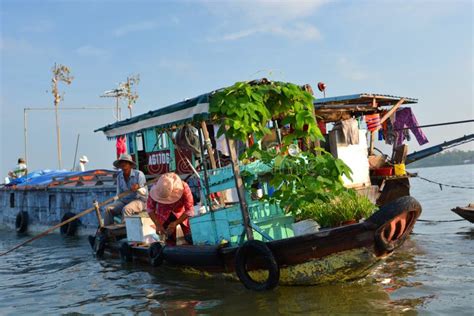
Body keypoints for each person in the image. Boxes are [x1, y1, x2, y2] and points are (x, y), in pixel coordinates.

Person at [147, 172, 194, 244]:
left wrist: (175, 223)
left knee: (190, 237)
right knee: (168, 240)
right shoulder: (158, 188)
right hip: (163, 216)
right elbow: (150, 209)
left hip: (181, 215)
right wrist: (157, 224)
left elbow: (189, 210)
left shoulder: (184, 187)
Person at [104, 153, 148, 225]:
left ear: (130, 165)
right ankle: (107, 231)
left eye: (126, 163)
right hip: (124, 201)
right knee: (108, 209)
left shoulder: (139, 174)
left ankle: (124, 230)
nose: (124, 165)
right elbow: (119, 194)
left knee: (126, 209)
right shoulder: (119, 176)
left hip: (139, 201)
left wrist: (138, 188)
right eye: (122, 163)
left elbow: (145, 193)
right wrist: (115, 204)